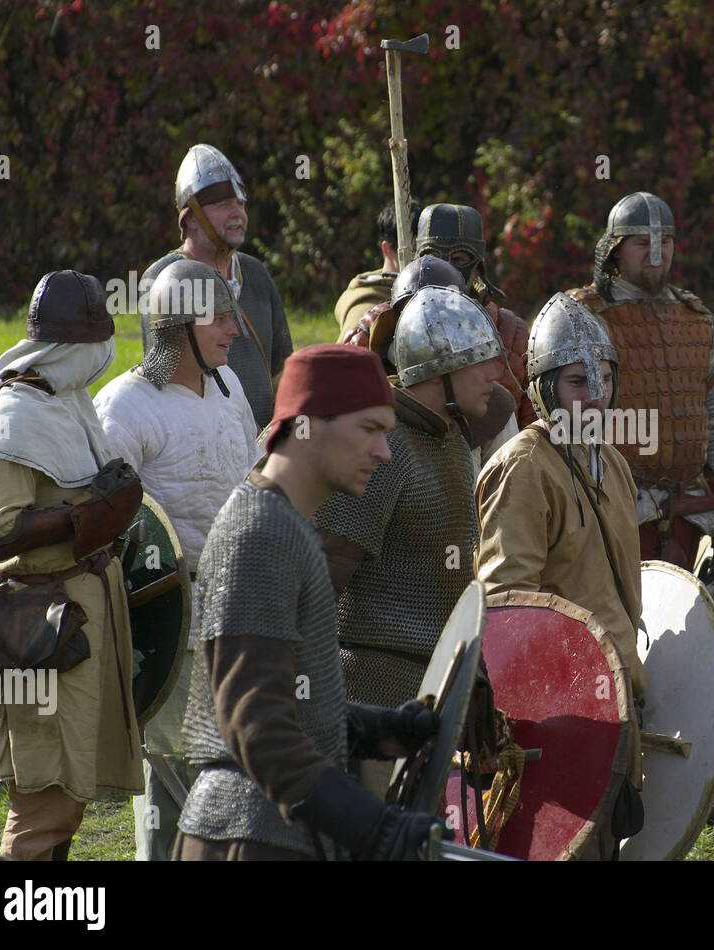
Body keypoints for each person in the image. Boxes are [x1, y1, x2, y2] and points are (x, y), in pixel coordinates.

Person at [173, 344, 444, 860]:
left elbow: (287, 699)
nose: (385, 451)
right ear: (308, 425)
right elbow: (255, 723)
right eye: (369, 429)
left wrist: (372, 729)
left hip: (273, 830)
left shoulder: (288, 527)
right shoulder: (261, 532)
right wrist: (373, 826)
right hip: (247, 834)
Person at [0, 271, 144, 860]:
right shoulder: (10, 422)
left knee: (70, 791)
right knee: (45, 799)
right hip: (37, 630)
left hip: (79, 618)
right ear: (70, 348)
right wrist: (80, 517)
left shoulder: (68, 403)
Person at [94, 259, 261, 861]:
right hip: (166, 620)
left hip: (233, 612)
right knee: (174, 788)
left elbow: (251, 481)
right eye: (218, 318)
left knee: (222, 777)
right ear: (178, 328)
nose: (234, 329)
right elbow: (109, 533)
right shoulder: (124, 408)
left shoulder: (228, 388)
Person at [474, 293, 648, 859]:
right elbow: (507, 607)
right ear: (545, 389)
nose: (595, 395)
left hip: (619, 696)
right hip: (560, 711)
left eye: (602, 377)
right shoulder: (525, 469)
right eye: (577, 381)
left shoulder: (612, 461)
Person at [315, 286, 505, 708]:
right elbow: (322, 580)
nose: (494, 374)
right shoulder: (383, 447)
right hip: (369, 687)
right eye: (478, 361)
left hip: (434, 685)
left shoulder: (451, 439)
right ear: (440, 370)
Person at [568, 191, 714, 573]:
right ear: (615, 250)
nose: (655, 254)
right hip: (614, 508)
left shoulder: (696, 319)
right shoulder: (584, 317)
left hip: (689, 509)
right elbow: (567, 422)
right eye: (642, 243)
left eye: (664, 242)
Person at [142, 143, 292, 430]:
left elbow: (282, 365)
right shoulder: (164, 278)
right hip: (199, 439)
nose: (238, 214)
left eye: (241, 204)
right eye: (224, 205)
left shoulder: (256, 273)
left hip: (263, 444)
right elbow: (163, 376)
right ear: (190, 219)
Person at [416, 203, 536, 430]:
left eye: (459, 259)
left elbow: (533, 429)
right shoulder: (383, 325)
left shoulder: (511, 332)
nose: (445, 269)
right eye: (432, 257)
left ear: (478, 268)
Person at [334, 198, 423, 341]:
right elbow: (347, 359)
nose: (420, 260)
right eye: (413, 251)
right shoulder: (366, 304)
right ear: (387, 249)